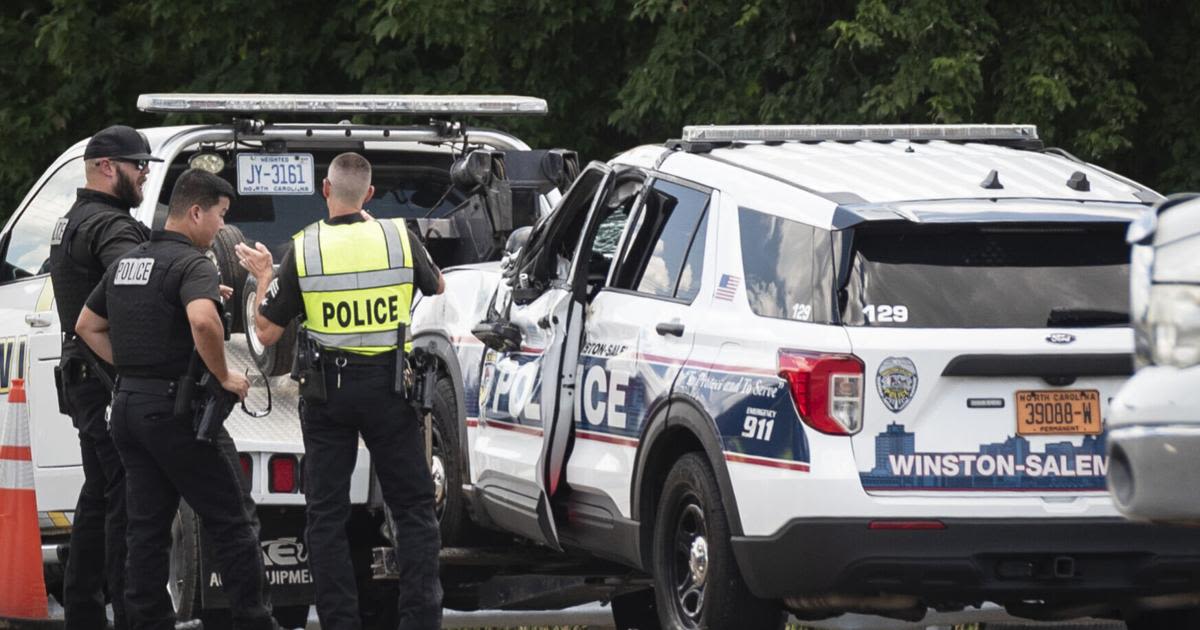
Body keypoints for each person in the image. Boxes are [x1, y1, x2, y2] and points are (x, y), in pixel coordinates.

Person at [236, 152, 444, 630]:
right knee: (413, 510)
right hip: (390, 390)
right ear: (369, 194)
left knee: (325, 516)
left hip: (328, 394)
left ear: (325, 191)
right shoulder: (398, 237)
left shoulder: (304, 249)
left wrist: (266, 276)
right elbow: (437, 288)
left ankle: (339, 622)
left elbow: (265, 333)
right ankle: (421, 620)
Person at [74, 169, 276, 630]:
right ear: (196, 211)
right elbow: (204, 323)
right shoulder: (193, 264)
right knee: (233, 520)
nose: (222, 229)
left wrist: (129, 368)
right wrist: (225, 375)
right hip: (178, 413)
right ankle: (253, 620)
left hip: (128, 410)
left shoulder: (128, 262)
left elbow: (87, 324)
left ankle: (147, 622)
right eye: (220, 217)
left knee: (145, 529)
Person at [48, 124, 162, 630]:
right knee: (126, 498)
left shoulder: (72, 219)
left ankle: (84, 612)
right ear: (106, 167)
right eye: (138, 165)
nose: (143, 176)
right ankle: (129, 614)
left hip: (83, 378)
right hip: (105, 377)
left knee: (99, 493)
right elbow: (137, 291)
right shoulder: (111, 227)